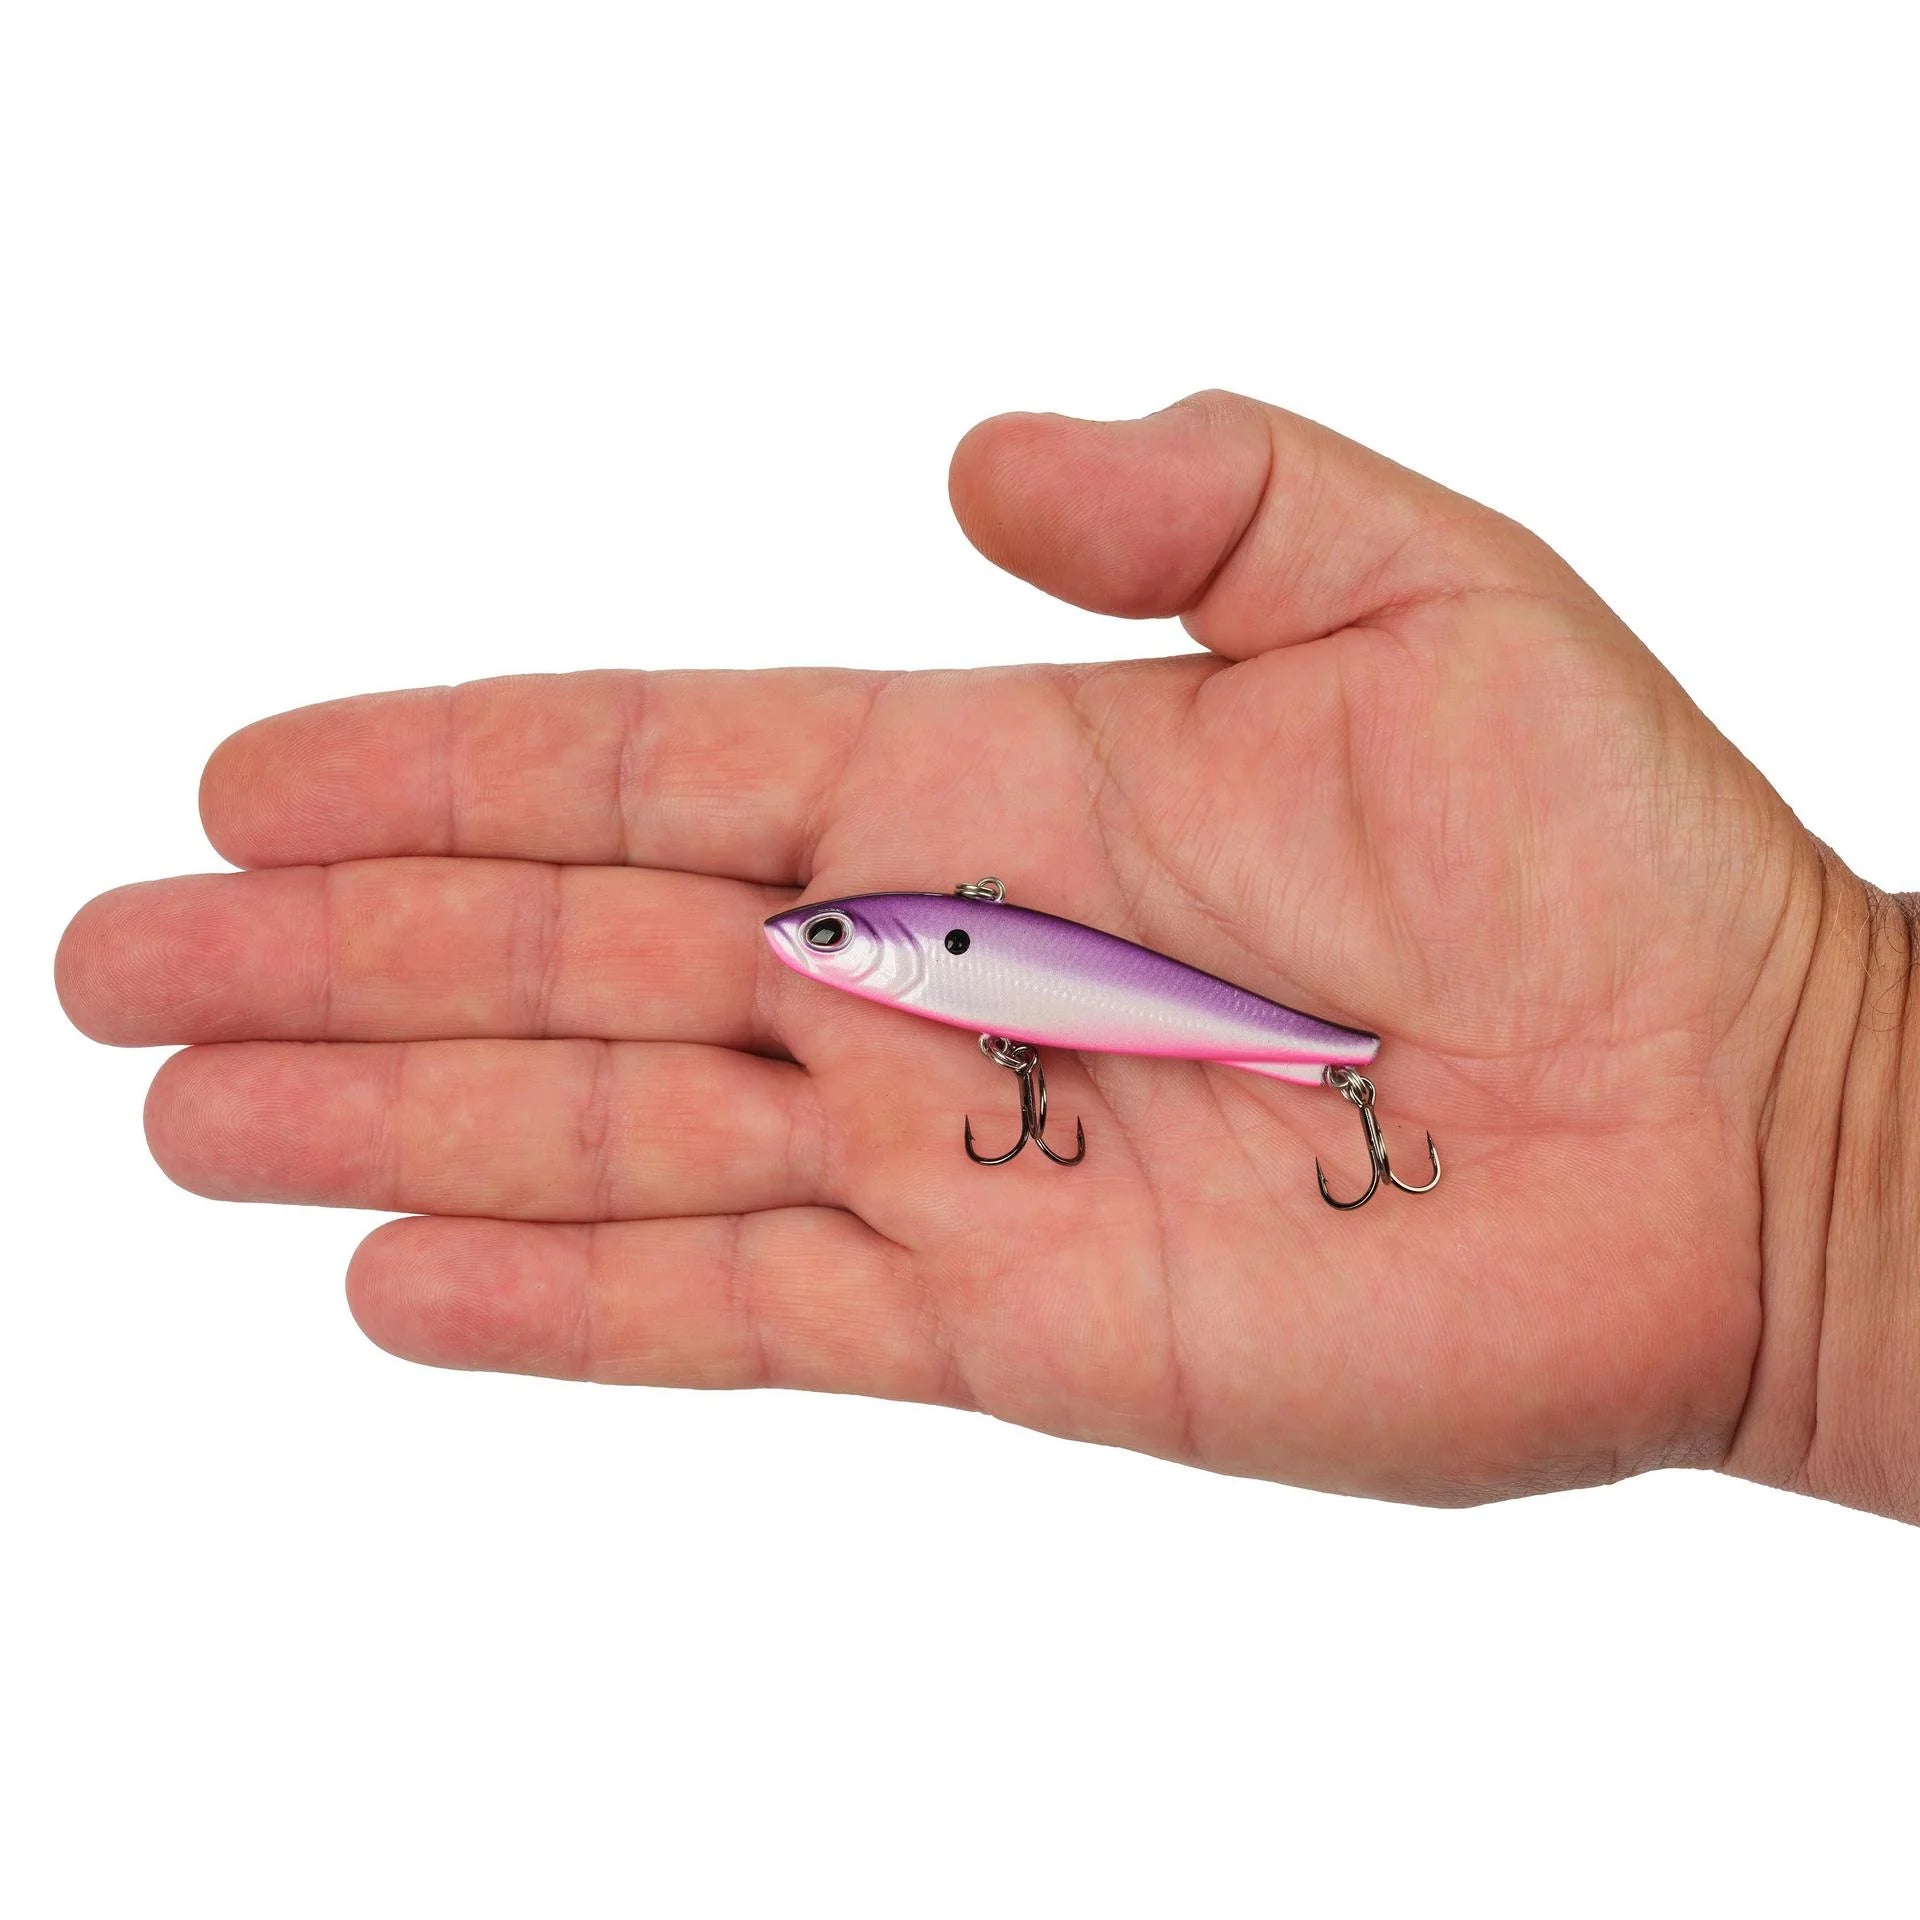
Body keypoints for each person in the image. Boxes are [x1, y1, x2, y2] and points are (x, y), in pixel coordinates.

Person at [53, 392, 1917, 1525]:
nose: (818, 952)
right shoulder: (933, 966)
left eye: (832, 940)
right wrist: (1823, 1141)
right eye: (833, 944)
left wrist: (1824, 1125)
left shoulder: (998, 968)